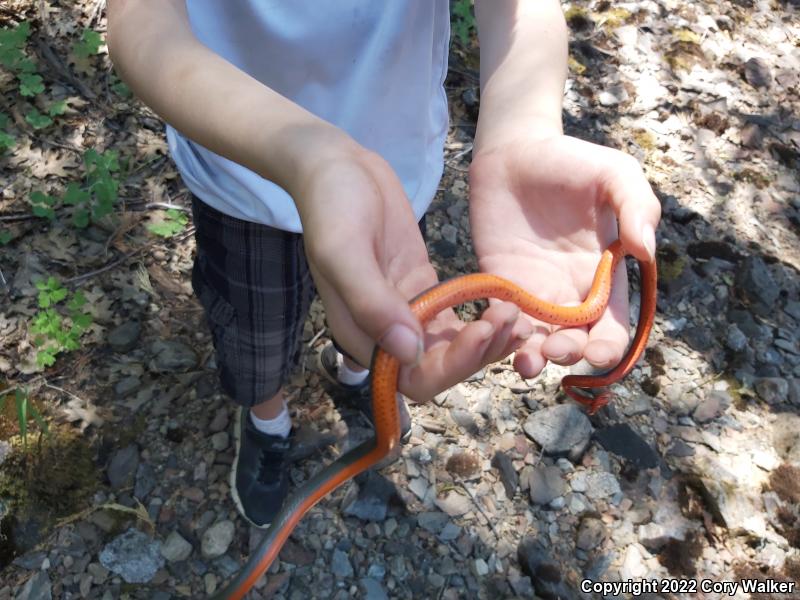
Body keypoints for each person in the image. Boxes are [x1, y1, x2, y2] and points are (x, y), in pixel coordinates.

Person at [107, 0, 661, 529]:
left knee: (380, 321)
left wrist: (524, 132)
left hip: (392, 189)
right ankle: (266, 420)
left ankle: (357, 377)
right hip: (241, 184)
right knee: (256, 340)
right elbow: (142, 22)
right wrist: (309, 156)